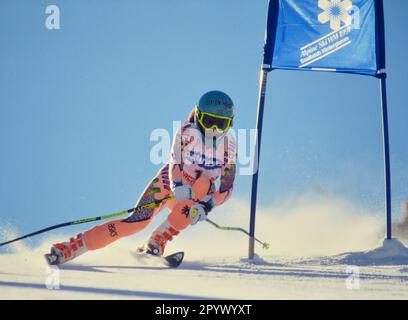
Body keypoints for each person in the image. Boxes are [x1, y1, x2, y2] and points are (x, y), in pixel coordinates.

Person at [47, 91, 237, 264]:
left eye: (221, 124)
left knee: (204, 184)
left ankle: (158, 240)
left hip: (194, 193)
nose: (213, 129)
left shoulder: (230, 145)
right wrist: (177, 184)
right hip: (170, 183)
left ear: (230, 124)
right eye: (208, 121)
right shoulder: (186, 132)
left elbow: (227, 186)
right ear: (198, 117)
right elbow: (174, 163)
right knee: (136, 223)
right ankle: (71, 248)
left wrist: (207, 205)